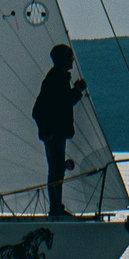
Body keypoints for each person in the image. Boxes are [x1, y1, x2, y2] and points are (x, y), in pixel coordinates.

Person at [33, 42, 89, 217]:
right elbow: (58, 105)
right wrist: (78, 91)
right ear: (64, 59)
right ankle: (56, 209)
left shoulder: (58, 77)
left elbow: (59, 103)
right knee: (56, 170)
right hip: (54, 134)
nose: (73, 59)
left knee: (57, 170)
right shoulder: (55, 78)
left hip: (55, 133)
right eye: (70, 56)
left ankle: (56, 207)